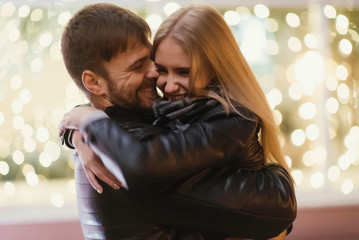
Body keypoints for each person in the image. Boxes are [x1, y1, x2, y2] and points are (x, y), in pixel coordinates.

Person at [59, 3, 296, 240]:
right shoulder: (127, 145)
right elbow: (279, 211)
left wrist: (84, 123)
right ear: (93, 82)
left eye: (182, 71)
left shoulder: (209, 119)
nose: (158, 78)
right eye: (140, 66)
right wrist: (86, 124)